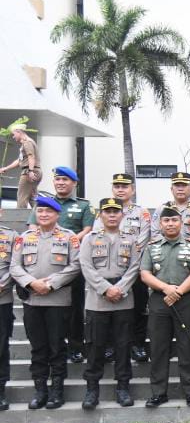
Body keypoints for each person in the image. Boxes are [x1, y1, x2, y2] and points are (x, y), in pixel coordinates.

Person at [10, 196, 80, 410]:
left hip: (58, 300)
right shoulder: (24, 238)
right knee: (38, 348)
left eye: (48, 211)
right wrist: (32, 283)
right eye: (40, 211)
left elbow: (76, 265)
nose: (43, 214)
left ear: (57, 214)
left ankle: (57, 391)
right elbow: (15, 266)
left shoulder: (69, 237)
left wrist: (50, 284)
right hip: (32, 300)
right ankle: (40, 390)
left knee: (57, 347)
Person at [78, 198, 142, 409]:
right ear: (101, 215)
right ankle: (92, 389)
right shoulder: (89, 239)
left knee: (123, 346)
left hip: (123, 299)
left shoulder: (131, 239)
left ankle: (123, 388)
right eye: (108, 211)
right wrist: (106, 289)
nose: (112, 215)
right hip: (98, 300)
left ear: (122, 215)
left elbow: (135, 267)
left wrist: (119, 289)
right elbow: (86, 266)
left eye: (116, 211)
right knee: (95, 346)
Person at [139, 205, 190, 408]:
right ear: (160, 224)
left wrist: (178, 292)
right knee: (158, 348)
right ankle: (159, 393)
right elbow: (145, 274)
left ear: (181, 223)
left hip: (186, 299)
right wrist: (166, 288)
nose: (170, 224)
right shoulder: (151, 247)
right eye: (166, 221)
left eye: (174, 220)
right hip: (159, 300)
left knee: (187, 348)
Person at [27, 167, 94, 364]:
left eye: (65, 179)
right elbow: (32, 227)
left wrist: (67, 241)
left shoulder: (83, 205)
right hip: (44, 260)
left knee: (75, 307)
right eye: (58, 179)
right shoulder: (43, 204)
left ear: (74, 183)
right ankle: (51, 347)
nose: (61, 183)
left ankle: (75, 347)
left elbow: (88, 230)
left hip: (72, 261)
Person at [150, 171, 190, 359]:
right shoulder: (162, 209)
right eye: (177, 185)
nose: (181, 188)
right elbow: (155, 232)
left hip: (189, 263)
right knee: (162, 312)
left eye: (184, 185)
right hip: (165, 262)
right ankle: (165, 347)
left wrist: (184, 244)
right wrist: (170, 242)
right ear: (172, 188)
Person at [93, 173, 151, 363]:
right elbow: (97, 236)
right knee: (108, 308)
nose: (120, 190)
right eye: (117, 186)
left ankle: (137, 344)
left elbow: (142, 240)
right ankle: (110, 346)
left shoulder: (141, 213)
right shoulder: (103, 212)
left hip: (135, 268)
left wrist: (129, 260)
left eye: (124, 186)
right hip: (109, 267)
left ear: (132, 190)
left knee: (139, 308)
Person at [0, 121, 41, 208]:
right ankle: (40, 214)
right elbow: (19, 161)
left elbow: (31, 156)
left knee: (22, 198)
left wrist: (30, 171)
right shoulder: (26, 143)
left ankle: (20, 216)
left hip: (29, 172)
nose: (13, 137)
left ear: (19, 132)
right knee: (33, 199)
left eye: (14, 134)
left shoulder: (27, 142)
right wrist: (6, 168)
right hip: (34, 171)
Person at [0, 211, 14, 411]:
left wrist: (3, 284)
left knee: (1, 347)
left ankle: (0, 390)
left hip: (2, 299)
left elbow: (16, 265)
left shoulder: (11, 236)